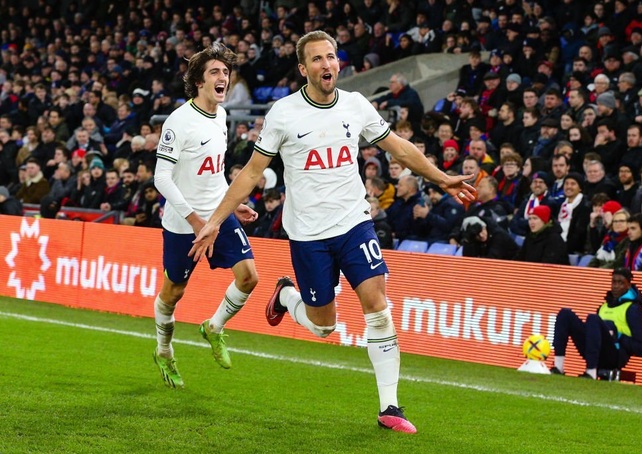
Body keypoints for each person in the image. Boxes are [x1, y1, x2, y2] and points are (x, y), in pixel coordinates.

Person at [189, 31, 475, 433]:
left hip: (354, 223)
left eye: (332, 57)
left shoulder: (356, 105)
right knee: (324, 326)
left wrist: (441, 178)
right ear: (304, 69)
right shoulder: (284, 114)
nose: (327, 65)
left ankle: (390, 406)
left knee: (377, 304)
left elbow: (399, 147)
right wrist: (216, 220)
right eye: (318, 60)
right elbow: (252, 172)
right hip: (308, 234)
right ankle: (286, 296)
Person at [151, 42, 260, 389]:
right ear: (198, 81)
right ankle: (164, 350)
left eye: (226, 73)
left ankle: (214, 326)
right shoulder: (179, 121)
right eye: (215, 72)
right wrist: (196, 221)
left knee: (249, 277)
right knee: (173, 294)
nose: (223, 78)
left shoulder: (223, 116)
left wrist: (230, 203)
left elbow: (213, 171)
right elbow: (161, 177)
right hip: (184, 223)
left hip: (217, 213)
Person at [550, 268, 642, 379]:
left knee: (593, 319)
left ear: (628, 286)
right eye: (614, 282)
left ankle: (591, 372)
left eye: (621, 283)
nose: (616, 286)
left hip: (615, 355)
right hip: (595, 351)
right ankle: (558, 367)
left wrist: (619, 336)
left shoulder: (633, 309)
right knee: (565, 314)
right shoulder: (603, 306)